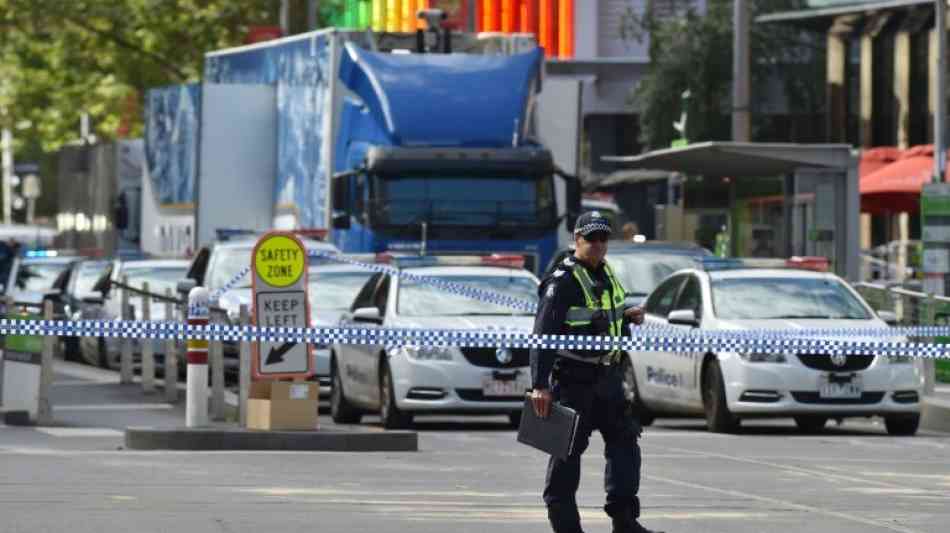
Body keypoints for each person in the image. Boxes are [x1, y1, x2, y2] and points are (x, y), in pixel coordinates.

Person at [530, 211, 663, 533]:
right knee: (567, 455)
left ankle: (625, 521)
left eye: (603, 238)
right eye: (591, 238)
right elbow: (543, 334)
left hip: (609, 378)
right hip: (573, 380)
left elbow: (602, 315)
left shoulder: (605, 273)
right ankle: (566, 528)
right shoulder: (562, 281)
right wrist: (539, 385)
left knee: (625, 445)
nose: (598, 244)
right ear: (577, 239)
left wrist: (627, 315)